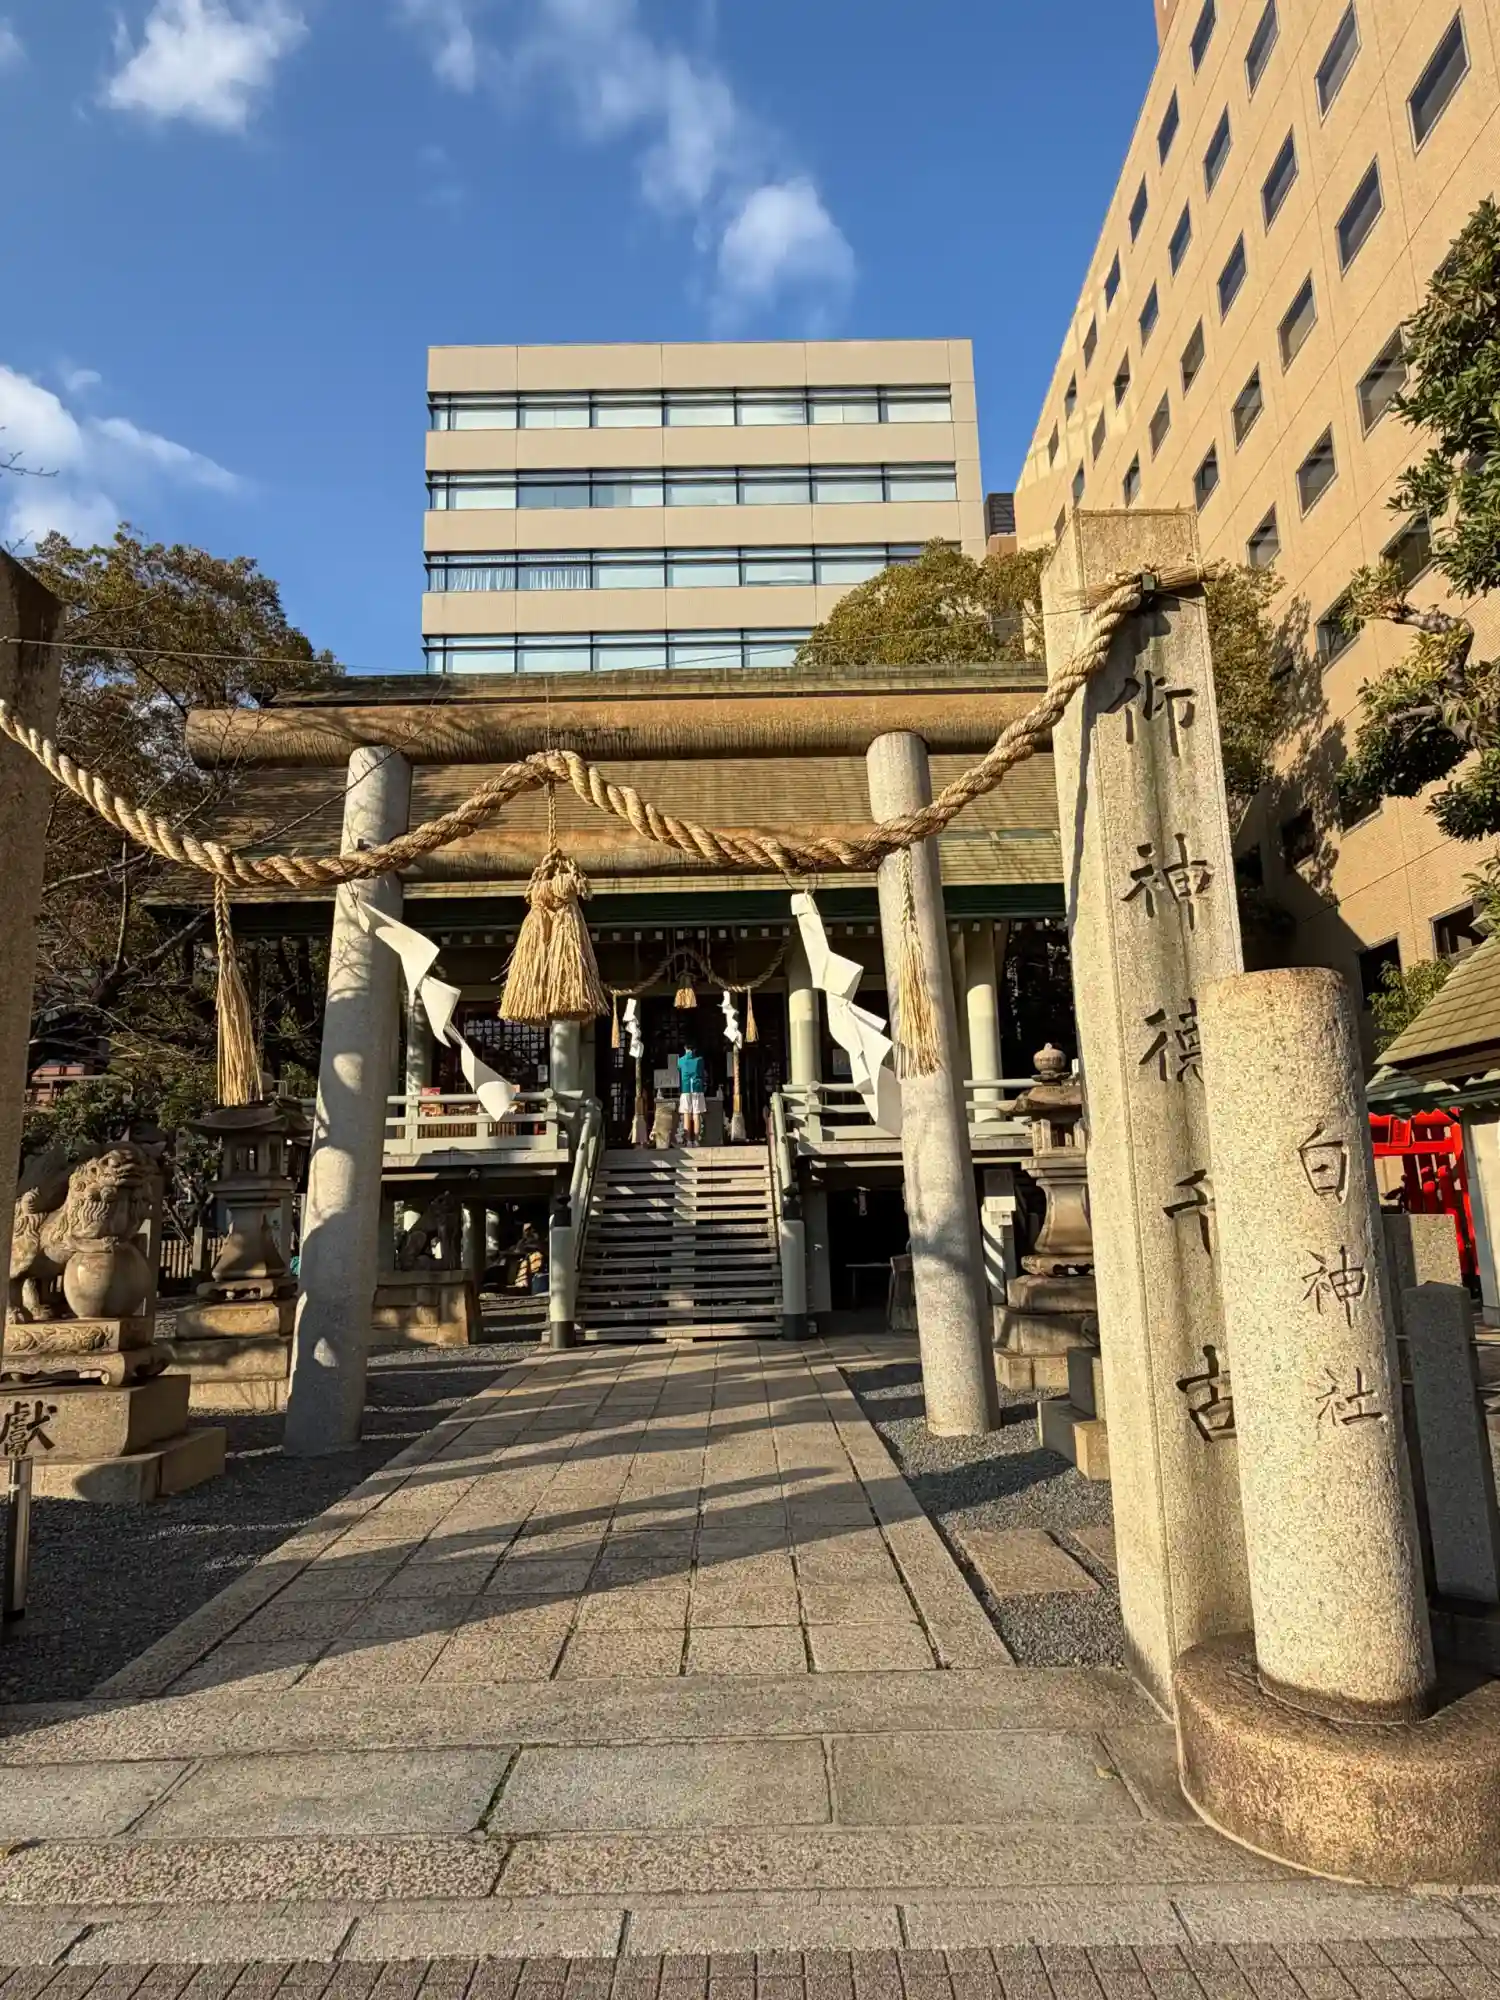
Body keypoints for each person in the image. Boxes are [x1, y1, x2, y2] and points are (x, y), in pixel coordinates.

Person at [676, 1041, 707, 1145]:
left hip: (685, 1089)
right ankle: (697, 1140)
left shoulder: (681, 1060)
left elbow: (679, 1068)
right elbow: (702, 1072)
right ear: (695, 1049)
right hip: (697, 1089)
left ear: (685, 1048)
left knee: (686, 1115)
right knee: (696, 1114)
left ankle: (688, 1140)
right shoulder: (700, 1060)